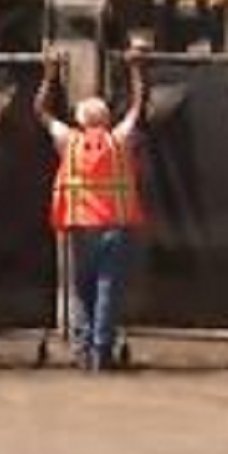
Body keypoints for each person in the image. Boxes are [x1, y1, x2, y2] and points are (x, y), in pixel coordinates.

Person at [34, 44, 151, 372]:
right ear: (105, 118)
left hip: (80, 226)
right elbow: (138, 108)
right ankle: (102, 351)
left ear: (82, 120)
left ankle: (84, 350)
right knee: (107, 288)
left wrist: (50, 75)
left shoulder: (69, 141)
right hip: (115, 226)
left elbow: (41, 111)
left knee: (81, 291)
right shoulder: (118, 141)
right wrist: (136, 69)